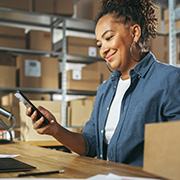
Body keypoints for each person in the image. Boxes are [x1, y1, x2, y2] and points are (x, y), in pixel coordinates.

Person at [26, 0, 180, 167]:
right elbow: (90, 144)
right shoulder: (105, 90)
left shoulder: (169, 79)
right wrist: (55, 130)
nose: (103, 49)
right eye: (99, 44)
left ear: (135, 33)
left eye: (109, 37)